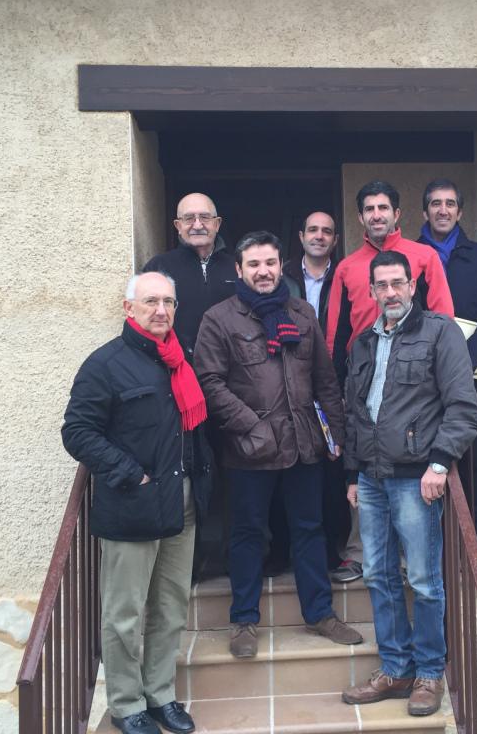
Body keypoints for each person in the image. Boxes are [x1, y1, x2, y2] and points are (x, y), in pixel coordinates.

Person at [194, 231, 363, 658]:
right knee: (248, 533)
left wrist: (335, 435)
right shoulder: (219, 319)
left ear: (280, 266)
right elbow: (209, 383)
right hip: (249, 448)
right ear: (239, 270)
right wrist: (252, 427)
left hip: (304, 444)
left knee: (310, 529)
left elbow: (325, 380)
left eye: (270, 263)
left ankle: (320, 614)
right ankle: (244, 620)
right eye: (253, 264)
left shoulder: (302, 313)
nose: (263, 271)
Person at [62, 272, 207, 734]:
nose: (161, 310)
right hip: (133, 505)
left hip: (181, 503)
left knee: (171, 607)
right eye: (150, 302)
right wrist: (132, 474)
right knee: (124, 615)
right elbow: (77, 432)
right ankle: (127, 704)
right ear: (129, 309)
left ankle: (160, 695)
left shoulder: (180, 360)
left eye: (168, 302)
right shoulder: (104, 364)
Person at [340, 251, 477, 717]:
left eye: (397, 283)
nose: (390, 292)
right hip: (371, 478)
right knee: (379, 576)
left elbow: (463, 407)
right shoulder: (363, 342)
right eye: (381, 285)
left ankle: (429, 673)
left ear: (412, 285)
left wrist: (439, 464)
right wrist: (352, 473)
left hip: (416, 479)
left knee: (422, 579)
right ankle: (395, 668)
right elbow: (354, 412)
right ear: (372, 291)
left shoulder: (440, 332)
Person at [324, 180, 454, 583]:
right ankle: (359, 553)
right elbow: (335, 334)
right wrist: (337, 387)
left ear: (397, 214)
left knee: (410, 480)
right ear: (360, 217)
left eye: (383, 208)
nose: (377, 215)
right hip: (363, 381)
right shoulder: (347, 268)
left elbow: (444, 319)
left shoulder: (424, 257)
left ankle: (413, 557)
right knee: (364, 470)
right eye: (369, 209)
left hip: (415, 385)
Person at [417, 178, 477, 532]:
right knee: (422, 452)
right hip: (423, 374)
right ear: (425, 212)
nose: (443, 210)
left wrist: (466, 359)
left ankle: (472, 537)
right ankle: (432, 539)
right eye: (436, 203)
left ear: (459, 212)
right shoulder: (411, 255)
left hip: (471, 371)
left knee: (473, 456)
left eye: (450, 204)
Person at [280, 211, 351, 570]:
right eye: (313, 230)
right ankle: (282, 551)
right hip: (290, 384)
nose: (319, 236)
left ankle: (331, 552)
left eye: (327, 231)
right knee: (291, 470)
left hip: (333, 383)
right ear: (301, 236)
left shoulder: (346, 275)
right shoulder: (282, 276)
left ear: (335, 240)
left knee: (332, 469)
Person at [142, 192, 238, 359]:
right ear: (178, 226)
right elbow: (142, 321)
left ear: (217, 224)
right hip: (173, 367)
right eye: (189, 218)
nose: (198, 225)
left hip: (229, 367)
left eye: (205, 217)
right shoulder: (158, 267)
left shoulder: (237, 267)